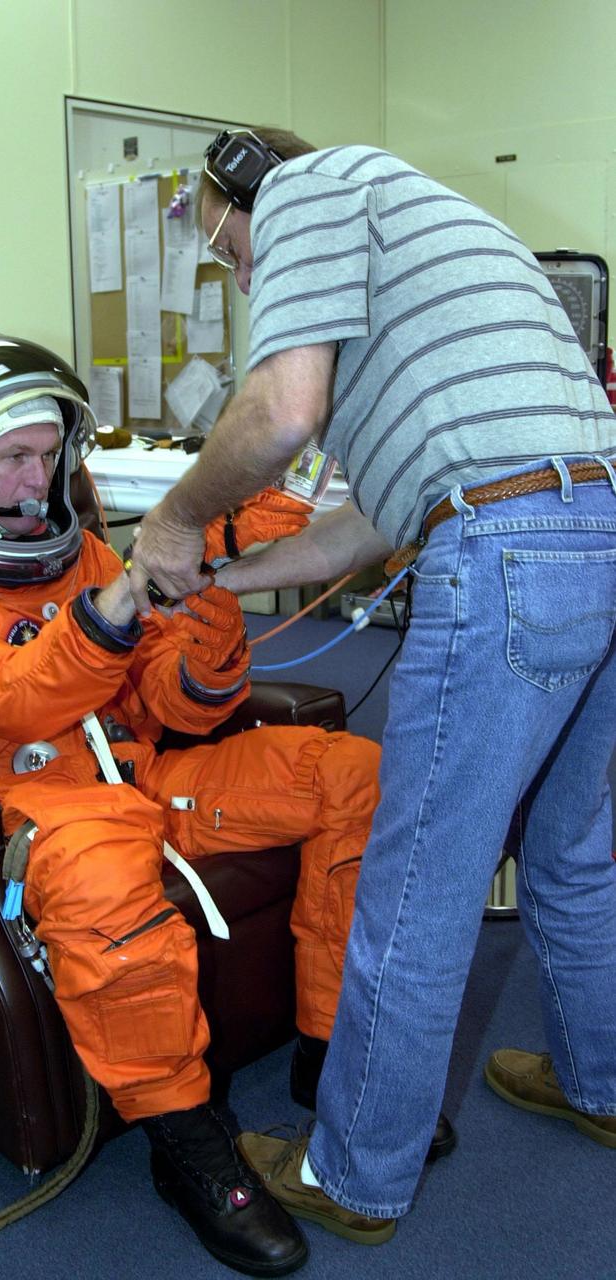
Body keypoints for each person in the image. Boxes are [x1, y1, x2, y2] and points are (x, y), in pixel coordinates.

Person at [129, 127, 616, 1242]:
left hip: (507, 548)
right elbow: (376, 522)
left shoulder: (303, 189)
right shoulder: (433, 228)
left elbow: (280, 411)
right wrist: (228, 567)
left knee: (418, 878)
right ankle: (604, 1083)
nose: (239, 267)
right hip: (595, 523)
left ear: (243, 184)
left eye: (226, 241)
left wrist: (175, 517)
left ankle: (356, 1173)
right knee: (571, 844)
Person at [0, 328, 401, 1275]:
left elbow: (181, 704)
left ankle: (331, 1046)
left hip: (142, 775)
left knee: (348, 773)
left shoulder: (75, 562)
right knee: (107, 855)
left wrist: (205, 609)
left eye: (49, 454)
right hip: (22, 812)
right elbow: (19, 696)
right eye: (14, 458)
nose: (40, 479)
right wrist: (126, 594)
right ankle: (187, 1143)